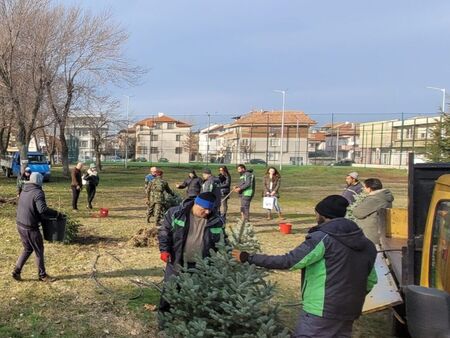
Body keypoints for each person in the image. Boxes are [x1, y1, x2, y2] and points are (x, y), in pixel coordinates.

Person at [232, 195, 377, 337]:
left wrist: (248, 257)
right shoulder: (367, 244)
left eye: (316, 213)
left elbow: (289, 262)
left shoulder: (323, 239)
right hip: (350, 310)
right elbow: (371, 280)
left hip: (321, 310)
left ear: (323, 215)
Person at [158, 192, 225, 314]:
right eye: (204, 209)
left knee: (196, 293)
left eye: (210, 209)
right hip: (176, 260)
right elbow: (164, 232)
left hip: (201, 264)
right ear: (196, 204)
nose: (208, 212)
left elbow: (222, 241)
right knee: (169, 290)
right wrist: (164, 250)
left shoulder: (216, 221)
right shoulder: (176, 214)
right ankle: (164, 318)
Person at [13, 172, 61, 282]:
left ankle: (16, 271)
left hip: (20, 224)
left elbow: (32, 207)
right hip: (30, 227)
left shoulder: (24, 189)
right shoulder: (38, 192)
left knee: (28, 248)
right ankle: (42, 275)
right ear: (39, 182)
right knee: (39, 250)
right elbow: (42, 209)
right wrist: (56, 214)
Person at [352, 178, 394, 244]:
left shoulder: (374, 199)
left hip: (371, 234)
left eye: (365, 187)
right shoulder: (383, 196)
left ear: (369, 188)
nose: (364, 189)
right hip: (379, 230)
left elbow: (357, 213)